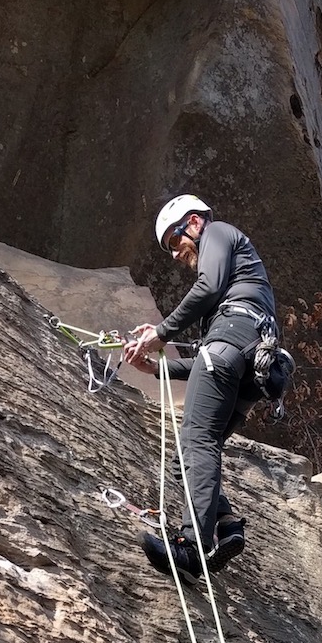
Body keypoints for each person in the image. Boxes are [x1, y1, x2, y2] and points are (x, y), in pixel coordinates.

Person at [123, 194, 278, 586]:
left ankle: (191, 546)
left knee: (197, 442)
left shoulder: (220, 233)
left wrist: (159, 334)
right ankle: (226, 526)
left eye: (175, 243)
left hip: (231, 353)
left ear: (193, 222)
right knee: (185, 460)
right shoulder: (241, 296)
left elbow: (208, 289)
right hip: (252, 367)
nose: (175, 255)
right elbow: (216, 359)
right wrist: (158, 369)